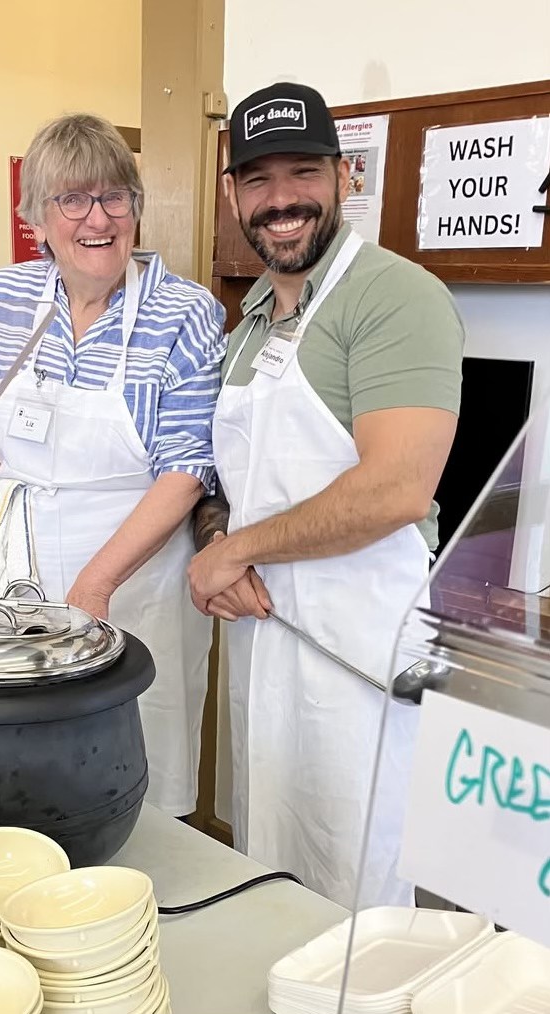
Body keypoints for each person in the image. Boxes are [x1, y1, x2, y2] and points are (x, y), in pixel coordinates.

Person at [0, 112, 227, 818]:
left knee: (131, 775)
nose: (97, 219)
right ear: (36, 219)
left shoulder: (185, 312)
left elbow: (186, 470)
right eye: (72, 200)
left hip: (135, 585)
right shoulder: (4, 300)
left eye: (114, 197)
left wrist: (95, 587)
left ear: (136, 207)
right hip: (17, 577)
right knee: (15, 774)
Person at [188, 82, 464, 908]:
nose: (281, 200)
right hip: (267, 638)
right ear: (232, 194)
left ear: (343, 177)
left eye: (302, 173)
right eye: (258, 179)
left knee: (359, 884)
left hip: (361, 650)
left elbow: (395, 489)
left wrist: (234, 551)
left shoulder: (394, 297)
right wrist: (215, 542)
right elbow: (223, 485)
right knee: (269, 862)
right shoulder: (245, 325)